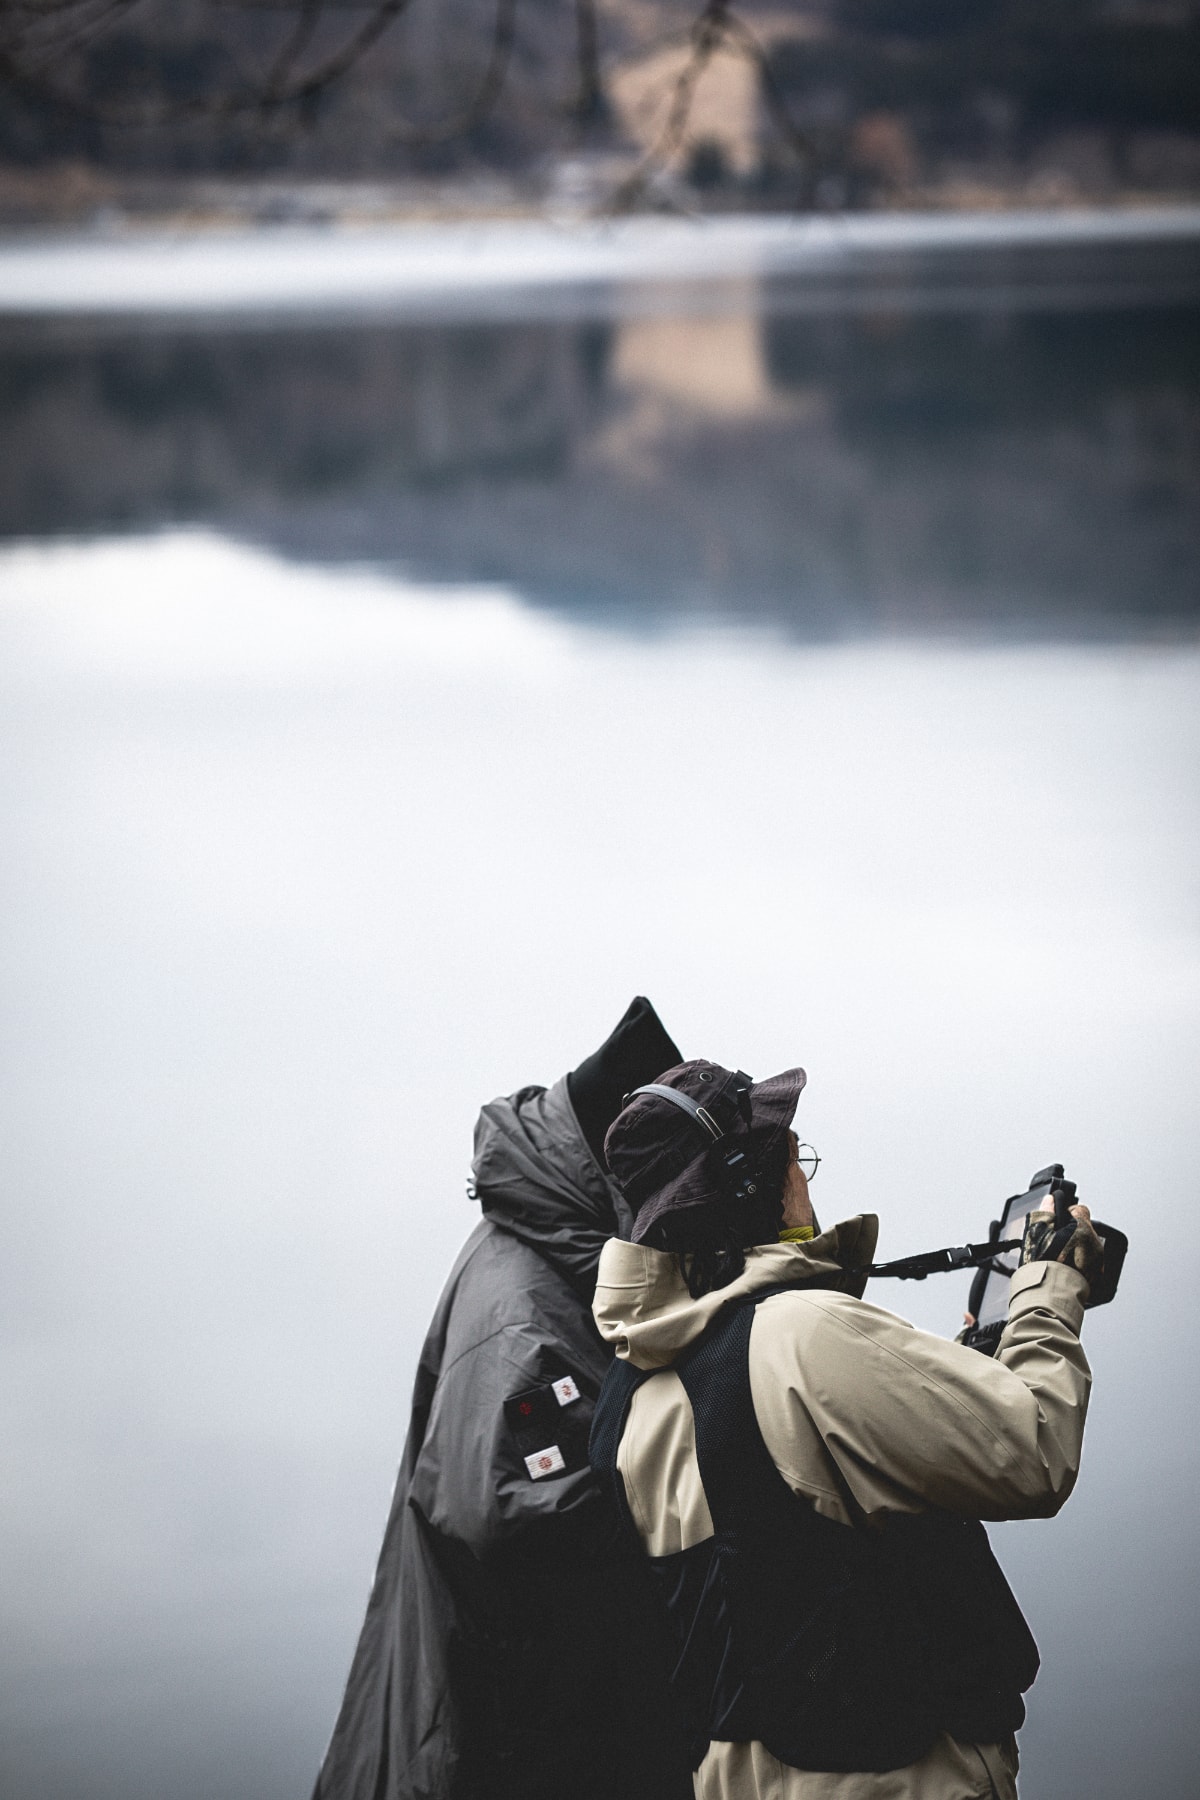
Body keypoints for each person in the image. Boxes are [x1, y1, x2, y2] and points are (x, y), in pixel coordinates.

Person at [590, 1058, 1103, 1800]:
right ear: (747, 1184)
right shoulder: (804, 1333)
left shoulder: (627, 1390)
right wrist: (1052, 1286)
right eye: (796, 1160)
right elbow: (1034, 1449)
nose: (804, 1181)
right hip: (897, 1778)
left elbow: (772, 1532)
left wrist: (956, 1378)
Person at [311, 997, 694, 1800]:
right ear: (611, 1161)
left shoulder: (542, 1238)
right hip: (508, 1752)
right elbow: (521, 1522)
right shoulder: (523, 1313)